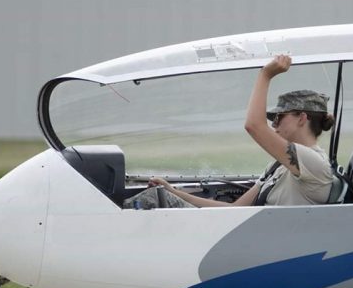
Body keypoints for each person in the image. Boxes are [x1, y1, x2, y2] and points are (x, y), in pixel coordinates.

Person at [126, 54, 335, 209]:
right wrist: (174, 193)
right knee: (157, 198)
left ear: (302, 118)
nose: (274, 124)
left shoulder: (313, 162)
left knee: (150, 202)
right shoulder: (279, 165)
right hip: (253, 239)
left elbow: (254, 125)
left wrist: (265, 75)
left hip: (270, 245)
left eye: (279, 117)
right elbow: (236, 211)